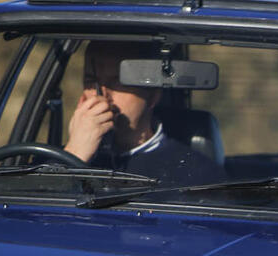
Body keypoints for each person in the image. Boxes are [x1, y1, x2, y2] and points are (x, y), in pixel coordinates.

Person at [66, 40, 224, 185]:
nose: (102, 95)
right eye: (91, 80)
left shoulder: (196, 173)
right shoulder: (68, 155)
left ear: (153, 95)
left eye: (119, 81)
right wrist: (74, 155)